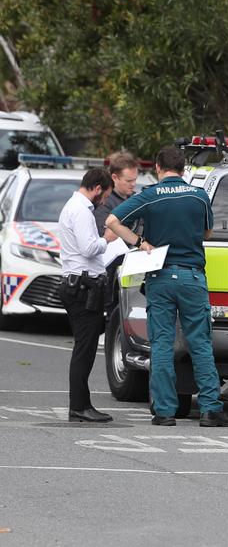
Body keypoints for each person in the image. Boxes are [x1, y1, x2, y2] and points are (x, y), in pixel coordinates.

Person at [105, 146, 228, 428]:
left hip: (160, 277)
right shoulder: (198, 197)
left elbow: (112, 221)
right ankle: (211, 410)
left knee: (161, 344)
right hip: (191, 277)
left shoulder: (149, 196)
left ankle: (164, 411)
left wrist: (140, 243)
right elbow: (207, 231)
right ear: (184, 169)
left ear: (159, 169)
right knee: (199, 342)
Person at [56, 167, 120, 423]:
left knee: (85, 347)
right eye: (104, 195)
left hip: (79, 285)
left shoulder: (74, 207)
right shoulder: (80, 211)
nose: (104, 201)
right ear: (96, 188)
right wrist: (108, 239)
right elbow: (89, 247)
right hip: (83, 288)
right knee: (85, 348)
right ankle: (79, 406)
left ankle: (81, 404)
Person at [93, 151, 140, 327]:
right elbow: (105, 232)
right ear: (114, 177)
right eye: (129, 181)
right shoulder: (105, 203)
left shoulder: (133, 199)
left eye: (135, 180)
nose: (133, 184)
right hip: (109, 270)